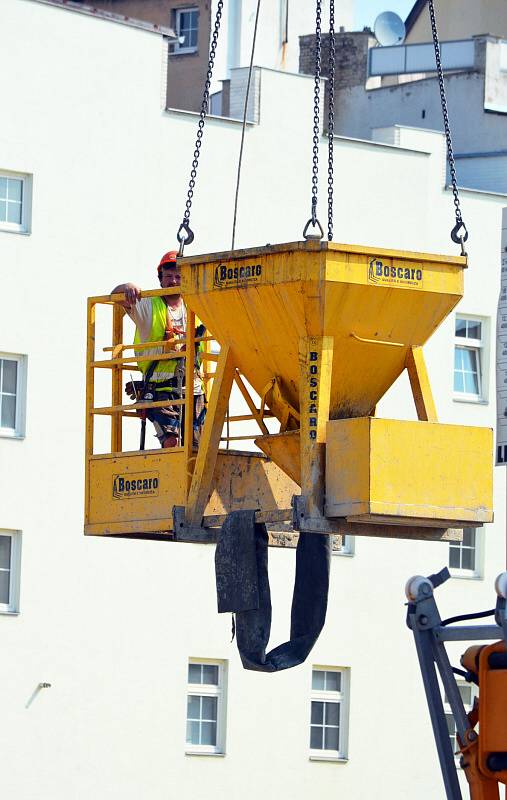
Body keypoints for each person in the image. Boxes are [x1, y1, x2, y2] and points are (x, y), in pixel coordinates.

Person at [111, 251, 206, 449]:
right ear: (161, 279)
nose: (174, 281)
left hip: (194, 389)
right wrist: (127, 287)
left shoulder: (196, 305)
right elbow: (115, 296)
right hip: (160, 390)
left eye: (179, 276)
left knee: (198, 448)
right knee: (172, 442)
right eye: (169, 276)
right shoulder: (149, 305)